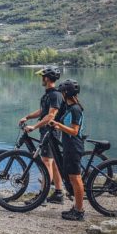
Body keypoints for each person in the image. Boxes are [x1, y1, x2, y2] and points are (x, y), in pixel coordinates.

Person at [18, 65, 65, 204]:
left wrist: (34, 126)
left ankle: (42, 196)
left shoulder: (55, 95)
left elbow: (50, 116)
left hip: (51, 132)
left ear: (47, 78)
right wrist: (27, 117)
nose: (41, 79)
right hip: (46, 131)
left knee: (46, 163)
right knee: (53, 163)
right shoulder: (48, 94)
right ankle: (58, 193)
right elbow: (42, 111)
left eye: (42, 76)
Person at [50, 79, 86, 221]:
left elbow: (75, 131)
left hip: (74, 146)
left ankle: (79, 211)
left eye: (62, 92)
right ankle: (76, 207)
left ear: (66, 93)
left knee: (76, 178)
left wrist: (59, 125)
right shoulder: (69, 108)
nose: (61, 95)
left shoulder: (75, 109)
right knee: (72, 177)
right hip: (68, 145)